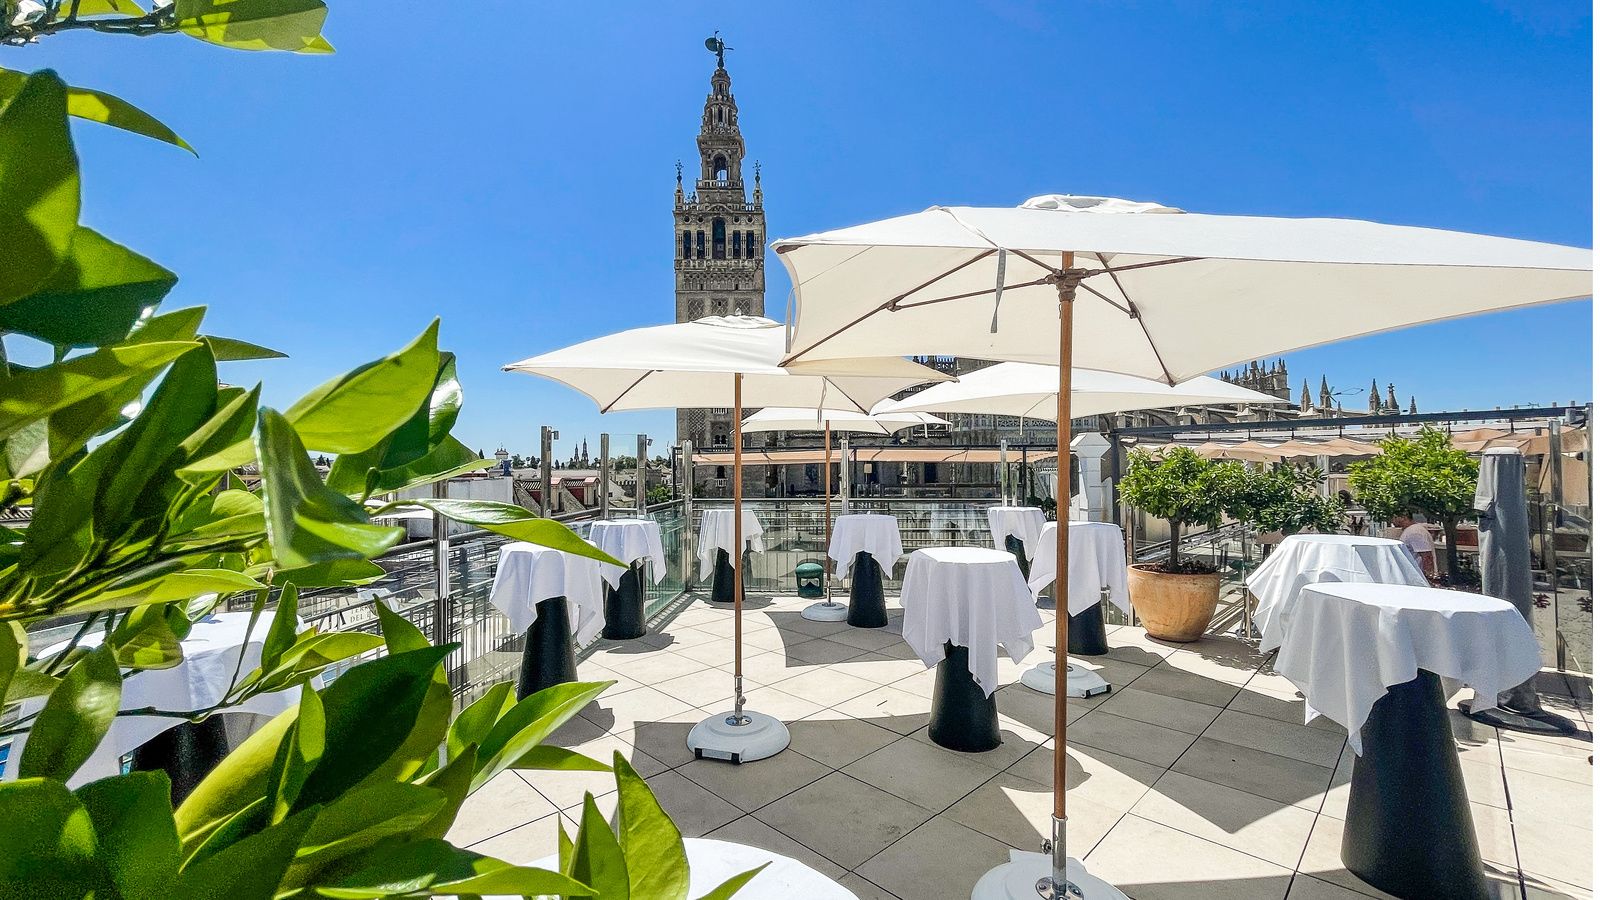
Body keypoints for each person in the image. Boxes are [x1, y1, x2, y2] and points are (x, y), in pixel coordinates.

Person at [1392, 511, 1438, 579]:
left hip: (1418, 577)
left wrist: (1429, 577)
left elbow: (1426, 556)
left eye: (1395, 517)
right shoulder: (1410, 530)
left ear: (1404, 517)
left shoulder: (1414, 531)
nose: (1392, 520)